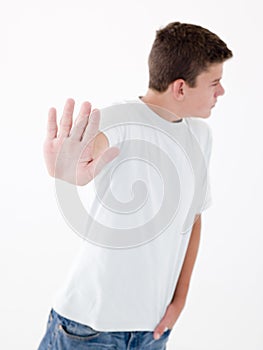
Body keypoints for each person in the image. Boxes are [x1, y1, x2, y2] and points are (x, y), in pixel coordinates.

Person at [38, 21, 233, 350]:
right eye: (214, 83)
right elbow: (84, 157)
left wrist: (179, 302)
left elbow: (194, 218)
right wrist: (67, 170)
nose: (221, 92)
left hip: (151, 332)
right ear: (181, 88)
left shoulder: (201, 136)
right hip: (87, 329)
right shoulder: (118, 120)